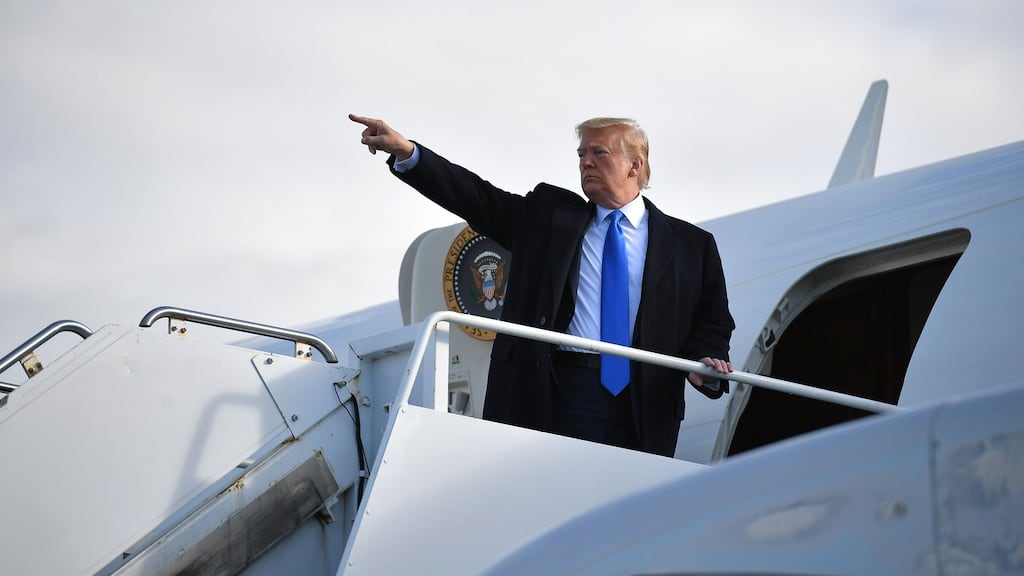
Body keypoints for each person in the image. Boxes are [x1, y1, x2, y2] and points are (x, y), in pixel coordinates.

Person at [350, 113, 735, 457]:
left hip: (646, 398)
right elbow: (476, 196)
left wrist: (706, 357)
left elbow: (712, 320)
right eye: (581, 154)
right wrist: (408, 153)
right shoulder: (549, 218)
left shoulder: (691, 245)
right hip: (563, 388)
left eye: (599, 153)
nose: (585, 162)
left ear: (635, 165)